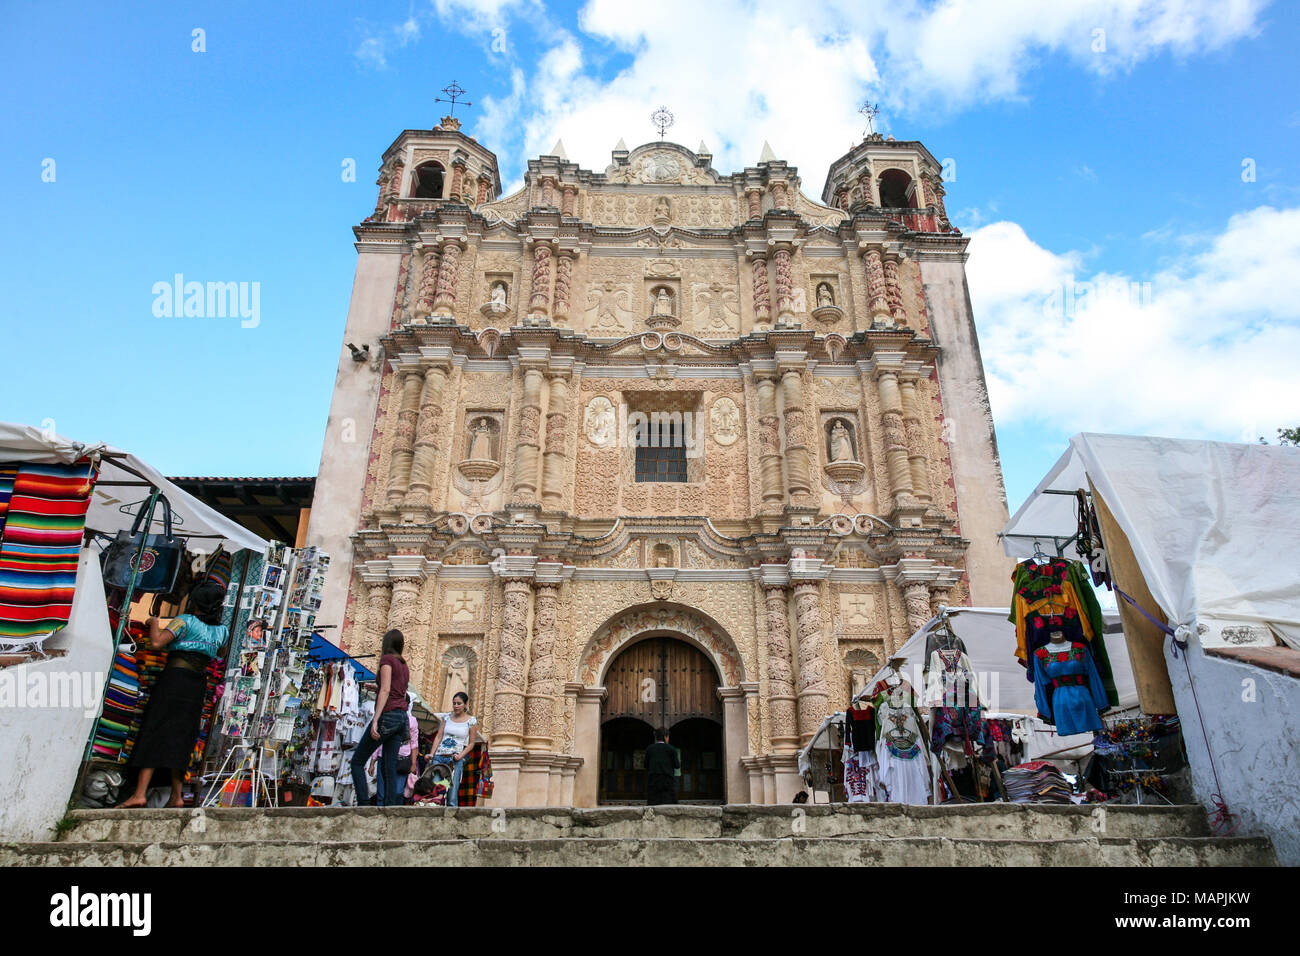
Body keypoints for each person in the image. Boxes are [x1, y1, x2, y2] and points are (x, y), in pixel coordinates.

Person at [118, 581, 229, 809]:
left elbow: (157, 642)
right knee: (182, 738)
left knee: (155, 729)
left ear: (196, 601)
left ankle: (140, 793)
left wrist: (154, 622)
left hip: (174, 681)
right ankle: (176, 796)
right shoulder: (222, 631)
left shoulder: (185, 621)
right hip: (197, 685)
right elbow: (219, 653)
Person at [350, 629, 410, 807]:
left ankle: (363, 803)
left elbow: (386, 690)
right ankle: (390, 806)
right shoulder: (404, 665)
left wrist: (376, 719)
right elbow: (397, 690)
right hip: (401, 718)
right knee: (389, 766)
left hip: (388, 715)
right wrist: (375, 688)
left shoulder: (387, 660)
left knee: (357, 762)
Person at [429, 691, 478, 807]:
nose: (456, 706)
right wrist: (432, 754)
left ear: (465, 705)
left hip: (455, 759)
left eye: (459, 703)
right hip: (439, 756)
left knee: (452, 791)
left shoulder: (471, 721)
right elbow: (439, 736)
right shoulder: (446, 718)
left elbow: (471, 743)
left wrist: (460, 756)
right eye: (454, 703)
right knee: (436, 788)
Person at [370, 693, 419, 805]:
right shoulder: (386, 716)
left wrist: (413, 764)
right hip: (385, 757)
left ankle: (395, 817)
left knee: (398, 792)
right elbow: (379, 740)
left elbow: (414, 743)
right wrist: (373, 761)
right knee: (382, 793)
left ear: (406, 704)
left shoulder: (412, 721)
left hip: (402, 759)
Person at [645, 727, 679, 805]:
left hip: (653, 780)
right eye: (668, 737)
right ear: (665, 737)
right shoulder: (671, 749)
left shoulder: (649, 749)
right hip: (668, 780)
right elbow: (677, 765)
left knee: (653, 802)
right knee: (669, 802)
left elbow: (646, 765)